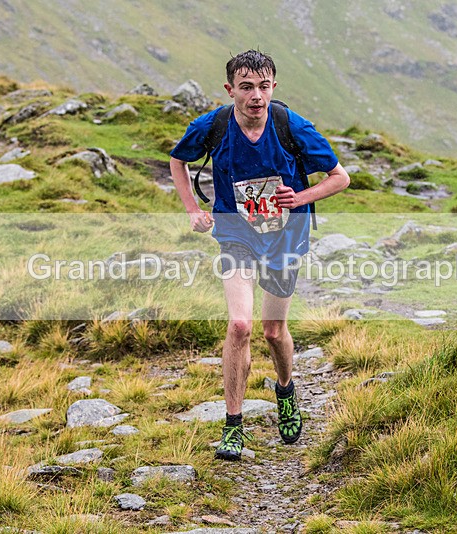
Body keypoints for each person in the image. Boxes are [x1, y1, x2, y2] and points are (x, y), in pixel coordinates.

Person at [169, 50, 350, 461]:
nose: (256, 96)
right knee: (239, 325)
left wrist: (299, 197)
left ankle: (285, 390)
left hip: (285, 237)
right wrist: (193, 210)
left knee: (273, 331)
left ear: (273, 87)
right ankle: (233, 425)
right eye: (247, 87)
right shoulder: (213, 126)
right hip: (236, 235)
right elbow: (178, 160)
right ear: (230, 89)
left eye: (264, 87)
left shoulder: (291, 126)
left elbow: (340, 178)